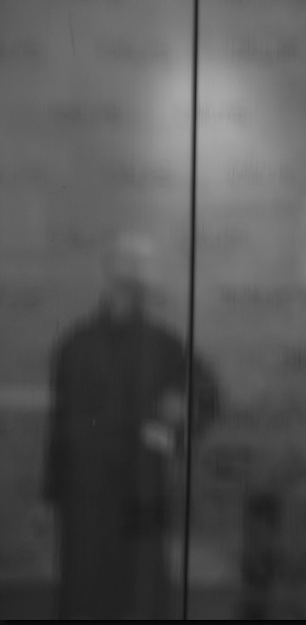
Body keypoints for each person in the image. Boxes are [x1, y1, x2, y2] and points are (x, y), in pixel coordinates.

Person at [44, 235, 218, 620]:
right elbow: (64, 420)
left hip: (141, 482)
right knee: (86, 591)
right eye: (119, 271)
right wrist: (58, 484)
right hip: (87, 489)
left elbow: (206, 394)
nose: (126, 281)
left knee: (142, 593)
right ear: (105, 278)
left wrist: (170, 422)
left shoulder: (165, 345)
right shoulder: (75, 345)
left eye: (133, 273)